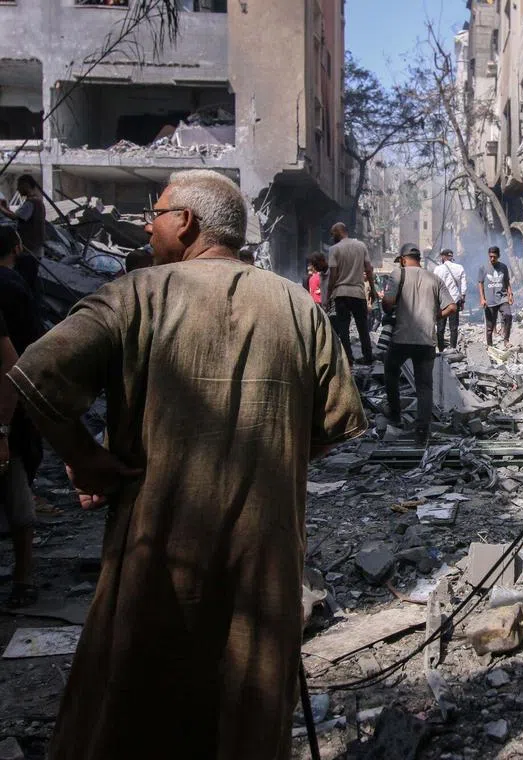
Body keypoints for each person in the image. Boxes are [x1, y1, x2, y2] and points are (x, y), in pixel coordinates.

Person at [3, 169, 366, 760]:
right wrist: (264, 460)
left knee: (135, 704)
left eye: (156, 212)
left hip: (156, 555)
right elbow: (332, 425)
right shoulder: (298, 308)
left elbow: (34, 374)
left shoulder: (136, 295)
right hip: (262, 562)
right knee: (245, 714)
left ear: (187, 223)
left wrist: (85, 458)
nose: (148, 225)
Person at [0, 225, 43, 608]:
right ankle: (23, 578)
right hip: (16, 400)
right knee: (18, 487)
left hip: (8, 402)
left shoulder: (15, 284)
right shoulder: (17, 285)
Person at [382, 245, 456, 447]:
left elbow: (388, 302)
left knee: (390, 371)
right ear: (418, 258)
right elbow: (452, 307)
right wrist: (434, 316)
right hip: (426, 340)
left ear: (404, 259)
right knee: (424, 386)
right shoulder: (434, 278)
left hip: (401, 338)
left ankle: (395, 415)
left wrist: (387, 305)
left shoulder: (398, 273)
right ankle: (422, 431)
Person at [327, 222, 375, 366]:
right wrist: (372, 288)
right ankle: (368, 357)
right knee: (363, 327)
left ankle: (348, 358)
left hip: (341, 293)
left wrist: (329, 295)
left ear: (338, 232)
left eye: (332, 233)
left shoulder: (334, 249)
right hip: (358, 293)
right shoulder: (361, 246)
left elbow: (333, 275)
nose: (332, 236)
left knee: (343, 328)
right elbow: (369, 269)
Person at [1, 174, 47, 297]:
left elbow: (15, 217)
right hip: (35, 249)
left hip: (29, 250)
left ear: (26, 185)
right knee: (29, 281)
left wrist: (1, 208)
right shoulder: (37, 201)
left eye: (19, 186)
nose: (18, 189)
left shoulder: (31, 203)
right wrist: (5, 208)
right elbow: (18, 216)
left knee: (24, 281)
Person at [477, 246, 512, 347]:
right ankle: (490, 345)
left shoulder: (503, 267)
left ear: (499, 256)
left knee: (508, 315)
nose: (492, 259)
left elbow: (507, 281)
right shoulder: (483, 267)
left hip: (502, 298)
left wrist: (510, 294)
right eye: (490, 257)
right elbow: (480, 283)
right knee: (490, 327)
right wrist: (482, 298)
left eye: (494, 257)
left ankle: (506, 340)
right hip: (490, 300)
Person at [433, 248, 466, 351]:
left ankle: (441, 348)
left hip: (441, 300)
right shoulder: (459, 267)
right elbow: (464, 286)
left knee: (440, 326)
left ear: (443, 257)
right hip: (454, 300)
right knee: (454, 326)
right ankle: (453, 348)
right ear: (451, 257)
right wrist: (463, 299)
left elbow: (434, 285)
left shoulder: (438, 269)